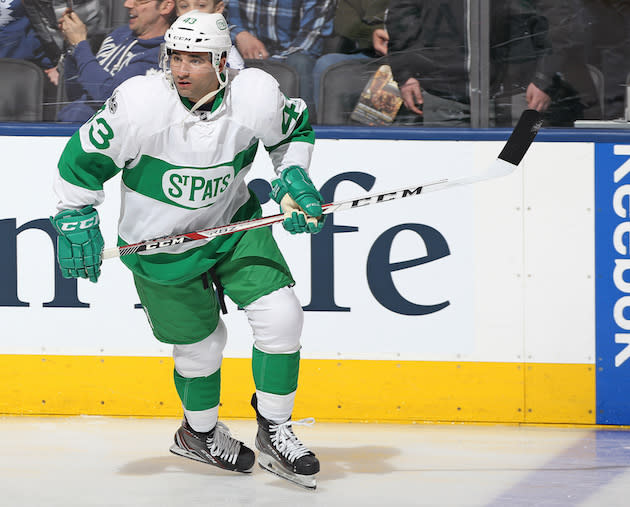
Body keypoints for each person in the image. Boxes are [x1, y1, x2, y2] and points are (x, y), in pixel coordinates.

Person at [50, 11, 323, 489]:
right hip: (160, 246)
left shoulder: (254, 93)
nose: (181, 69)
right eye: (176, 56)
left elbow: (290, 135)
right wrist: (76, 213)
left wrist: (292, 180)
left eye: (195, 59)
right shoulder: (139, 104)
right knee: (202, 350)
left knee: (282, 316)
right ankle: (198, 435)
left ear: (222, 62)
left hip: (233, 226)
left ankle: (276, 428)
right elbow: (79, 162)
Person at [384, 0, 553, 127]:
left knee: (523, 166)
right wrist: (406, 73)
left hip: (517, 90)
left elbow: (556, 16)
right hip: (441, 90)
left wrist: (544, 77)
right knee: (447, 169)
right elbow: (401, 14)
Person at [55, 0, 175, 122]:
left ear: (166, 6)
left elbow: (111, 99)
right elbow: (75, 91)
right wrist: (71, 44)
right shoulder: (121, 34)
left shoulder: (161, 56)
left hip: (102, 136)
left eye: (139, 1)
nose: (127, 4)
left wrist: (79, 43)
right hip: (65, 128)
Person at [226, 0, 336, 120]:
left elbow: (309, 40)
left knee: (301, 62)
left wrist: (268, 63)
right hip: (238, 58)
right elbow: (210, 17)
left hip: (288, 61)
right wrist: (237, 34)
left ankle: (302, 129)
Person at [312, 0, 389, 112]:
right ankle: (328, 128)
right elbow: (345, 24)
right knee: (326, 64)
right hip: (370, 52)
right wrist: (373, 36)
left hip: (412, 52)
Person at [174, 0, 245, 69]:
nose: (192, 13)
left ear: (218, 8)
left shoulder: (228, 54)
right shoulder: (166, 45)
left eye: (201, 5)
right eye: (184, 6)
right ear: (176, 10)